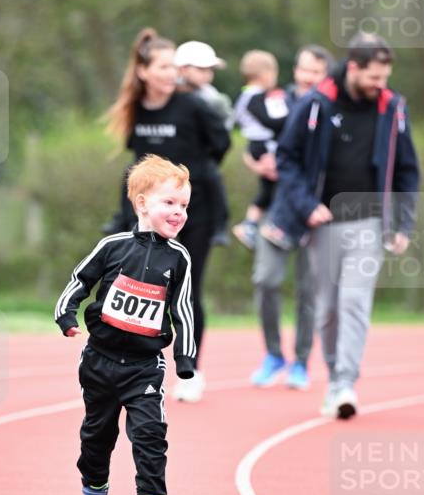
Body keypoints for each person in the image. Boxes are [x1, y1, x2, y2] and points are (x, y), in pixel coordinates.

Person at [264, 32, 420, 419]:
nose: (379, 85)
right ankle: (335, 375)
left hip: (369, 223)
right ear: (353, 67)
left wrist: (402, 222)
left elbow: (406, 170)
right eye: (374, 77)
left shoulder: (392, 107)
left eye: (384, 78)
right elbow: (286, 156)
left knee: (354, 301)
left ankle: (345, 383)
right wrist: (306, 205)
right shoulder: (316, 102)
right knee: (328, 308)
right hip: (324, 223)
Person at [54, 155, 195, 495]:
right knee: (97, 437)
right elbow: (78, 282)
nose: (178, 212)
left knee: (150, 433)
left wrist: (184, 359)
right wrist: (66, 316)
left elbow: (183, 309)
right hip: (99, 360)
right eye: (169, 203)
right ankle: (95, 486)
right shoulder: (112, 246)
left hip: (145, 365)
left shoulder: (179, 258)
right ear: (142, 204)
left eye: (183, 205)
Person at [105, 27, 231, 403]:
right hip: (147, 213)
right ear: (143, 71)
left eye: (172, 66)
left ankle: (190, 371)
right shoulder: (136, 108)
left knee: (186, 290)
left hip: (195, 209)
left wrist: (186, 186)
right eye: (161, 66)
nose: (168, 73)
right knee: (141, 287)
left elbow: (220, 144)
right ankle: (136, 367)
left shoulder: (193, 105)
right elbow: (135, 158)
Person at [245, 45, 332, 388]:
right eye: (304, 70)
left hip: (315, 213)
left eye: (317, 72)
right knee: (265, 280)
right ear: (294, 70)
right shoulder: (276, 103)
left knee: (308, 291)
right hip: (277, 210)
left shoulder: (330, 109)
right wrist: (255, 162)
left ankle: (301, 361)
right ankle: (273, 354)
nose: (309, 77)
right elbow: (254, 141)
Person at [174, 40, 232, 247]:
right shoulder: (169, 93)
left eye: (210, 70)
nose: (207, 75)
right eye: (201, 69)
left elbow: (223, 131)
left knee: (212, 177)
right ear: (181, 68)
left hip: (202, 155)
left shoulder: (211, 97)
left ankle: (221, 224)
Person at [231, 50, 287, 250]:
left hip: (260, 143)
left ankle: (255, 224)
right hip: (261, 145)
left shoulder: (247, 95)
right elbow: (269, 121)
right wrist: (290, 120)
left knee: (270, 185)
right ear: (264, 74)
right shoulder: (253, 96)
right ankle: (251, 224)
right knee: (270, 185)